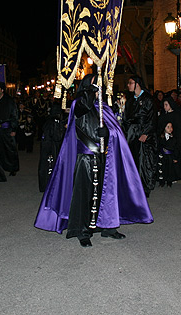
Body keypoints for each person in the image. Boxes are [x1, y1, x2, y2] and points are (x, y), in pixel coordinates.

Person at [34, 74, 153, 247]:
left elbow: (117, 131)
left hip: (104, 156)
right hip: (85, 157)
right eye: (94, 84)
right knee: (84, 193)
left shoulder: (104, 107)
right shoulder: (79, 104)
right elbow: (82, 109)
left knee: (107, 192)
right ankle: (82, 230)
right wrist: (89, 90)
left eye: (99, 84)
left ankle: (108, 227)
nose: (98, 87)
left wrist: (108, 133)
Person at [124, 75, 157, 197]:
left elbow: (152, 119)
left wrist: (146, 133)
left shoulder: (148, 99)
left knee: (144, 161)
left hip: (144, 133)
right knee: (133, 159)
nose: (128, 85)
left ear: (137, 84)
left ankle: (144, 188)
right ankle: (133, 186)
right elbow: (127, 118)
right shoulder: (130, 100)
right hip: (132, 134)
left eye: (130, 83)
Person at [0, 82, 20, 176]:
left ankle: (13, 168)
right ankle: (0, 168)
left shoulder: (9, 101)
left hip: (7, 129)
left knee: (10, 149)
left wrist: (14, 129)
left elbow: (14, 115)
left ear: (2, 90)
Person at [37, 104, 66, 192]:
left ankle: (43, 186)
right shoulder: (55, 121)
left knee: (44, 165)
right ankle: (50, 186)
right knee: (50, 166)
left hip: (45, 145)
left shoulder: (48, 120)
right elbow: (57, 136)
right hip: (51, 146)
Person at [157, 122, 181, 187]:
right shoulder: (160, 137)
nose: (170, 128)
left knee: (170, 169)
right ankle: (162, 181)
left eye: (171, 127)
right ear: (164, 128)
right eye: (168, 127)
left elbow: (176, 148)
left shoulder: (174, 138)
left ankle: (169, 181)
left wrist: (175, 157)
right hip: (162, 156)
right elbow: (158, 146)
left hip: (170, 156)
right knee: (162, 169)